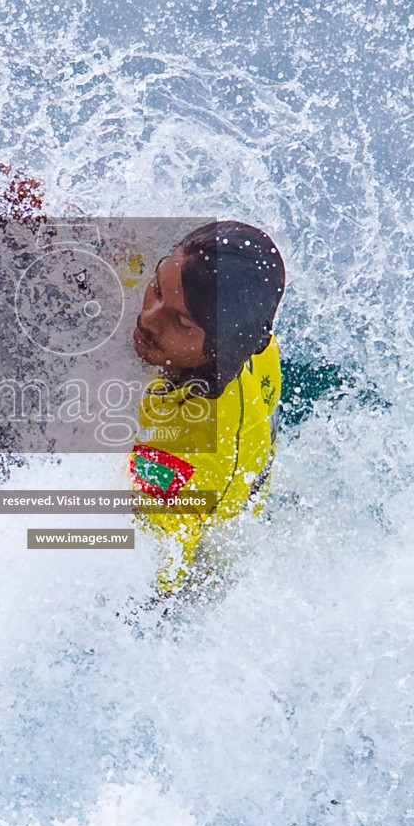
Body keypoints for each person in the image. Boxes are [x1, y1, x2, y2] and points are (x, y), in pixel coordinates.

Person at [128, 221, 286, 592]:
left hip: (212, 537)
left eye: (181, 323)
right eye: (155, 288)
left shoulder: (183, 450)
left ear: (224, 347)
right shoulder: (224, 307)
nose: (149, 318)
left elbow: (157, 574)